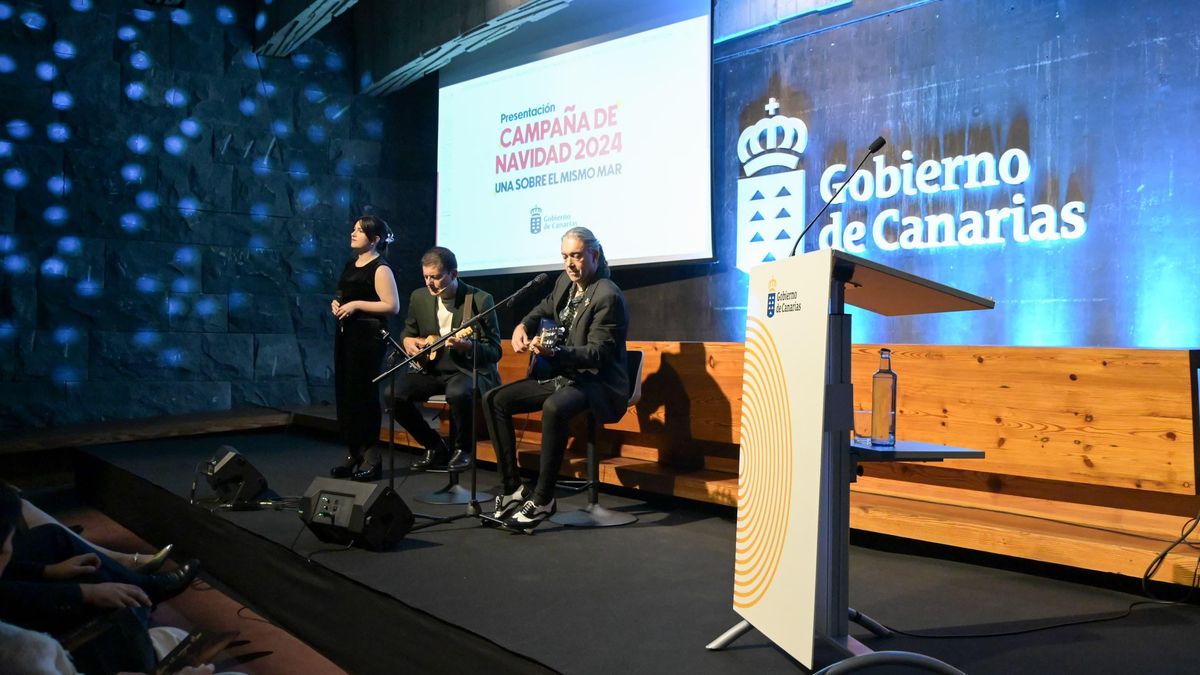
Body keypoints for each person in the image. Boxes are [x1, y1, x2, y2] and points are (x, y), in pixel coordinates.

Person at [482, 227, 629, 530]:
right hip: (561, 373)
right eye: (564, 257)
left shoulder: (607, 295)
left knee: (554, 407)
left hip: (597, 382)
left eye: (576, 256)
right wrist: (523, 325)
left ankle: (544, 498)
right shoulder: (565, 283)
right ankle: (512, 489)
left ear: (594, 255)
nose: (569, 264)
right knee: (494, 399)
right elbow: (543, 308)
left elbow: (598, 354)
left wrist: (554, 353)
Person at [392, 247, 502, 471]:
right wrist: (407, 342)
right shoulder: (419, 297)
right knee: (393, 394)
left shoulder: (480, 300)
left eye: (436, 277)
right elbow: (408, 332)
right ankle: (434, 445)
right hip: (432, 369)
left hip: (467, 370)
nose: (430, 283)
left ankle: (464, 449)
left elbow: (494, 350)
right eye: (426, 277)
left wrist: (469, 345)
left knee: (458, 392)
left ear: (453, 274)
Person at [330, 215, 401, 481]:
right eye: (354, 229)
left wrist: (356, 305)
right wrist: (337, 304)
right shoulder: (352, 263)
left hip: (368, 338)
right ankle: (353, 453)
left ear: (375, 239)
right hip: (346, 335)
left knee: (364, 395)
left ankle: (373, 458)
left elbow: (391, 306)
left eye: (360, 231)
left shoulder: (381, 268)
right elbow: (342, 294)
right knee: (346, 393)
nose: (353, 233)